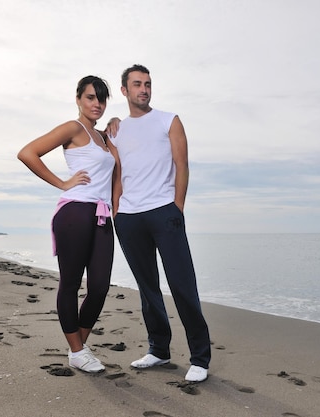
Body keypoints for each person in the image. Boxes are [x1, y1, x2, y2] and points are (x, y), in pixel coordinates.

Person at [107, 64, 211, 382]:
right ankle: (159, 350)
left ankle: (200, 359)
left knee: (182, 284)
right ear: (124, 90)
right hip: (128, 217)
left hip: (164, 212)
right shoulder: (115, 129)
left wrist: (177, 208)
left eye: (148, 84)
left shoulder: (169, 120)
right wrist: (116, 212)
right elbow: (116, 173)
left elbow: (182, 165)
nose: (144, 89)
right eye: (137, 84)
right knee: (147, 287)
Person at [17, 76, 116, 373]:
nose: (96, 104)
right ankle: (77, 349)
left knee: (99, 286)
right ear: (78, 99)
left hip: (102, 214)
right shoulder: (73, 128)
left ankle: (78, 348)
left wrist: (115, 122)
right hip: (75, 211)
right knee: (71, 283)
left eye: (101, 99)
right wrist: (62, 183)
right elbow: (27, 153)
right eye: (90, 97)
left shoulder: (104, 137)